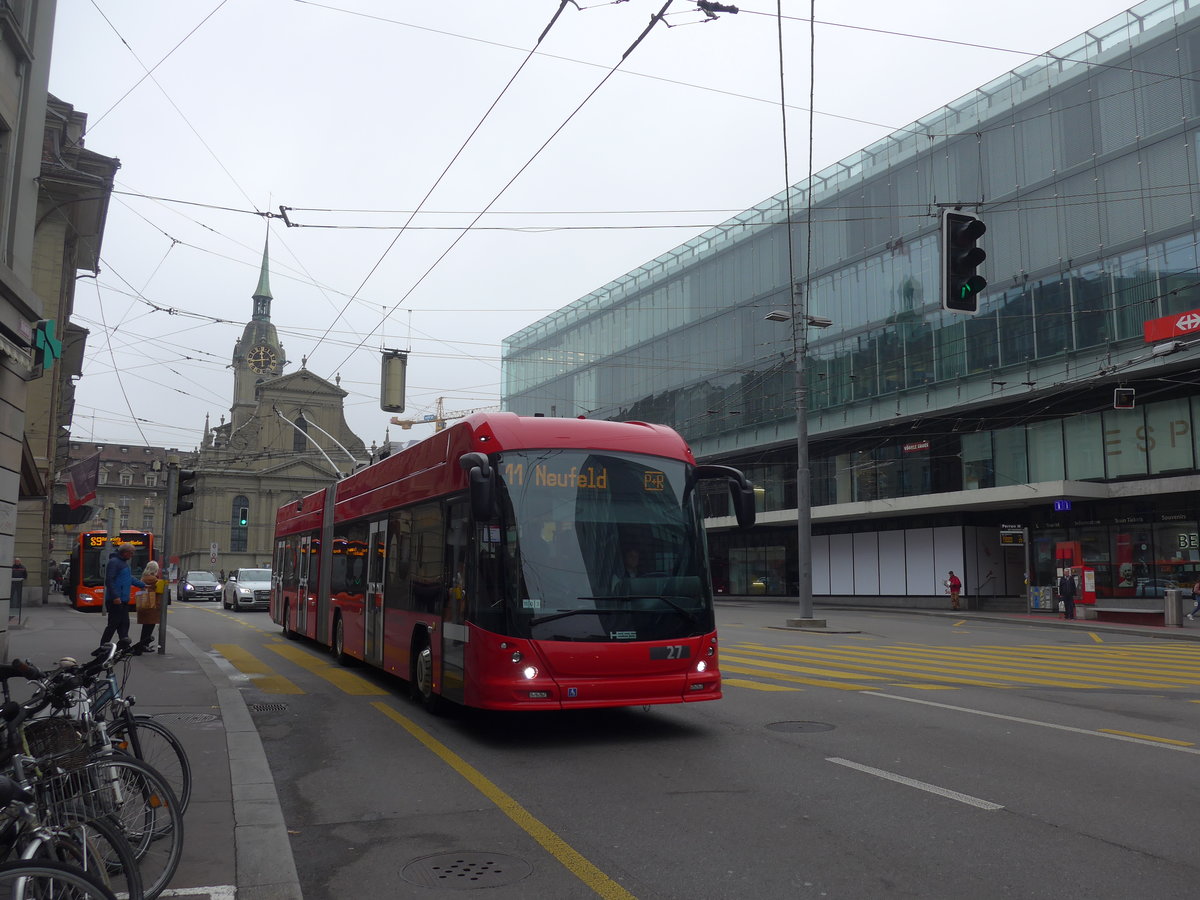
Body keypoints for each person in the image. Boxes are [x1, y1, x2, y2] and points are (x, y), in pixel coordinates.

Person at [100, 543, 145, 648]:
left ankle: (124, 645)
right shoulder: (114, 562)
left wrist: (142, 585)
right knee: (114, 623)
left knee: (124, 623)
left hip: (123, 599)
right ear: (125, 552)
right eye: (131, 553)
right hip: (116, 599)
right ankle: (103, 645)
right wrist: (115, 596)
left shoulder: (124, 563)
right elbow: (109, 580)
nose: (132, 555)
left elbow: (129, 578)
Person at [134, 559, 164, 654]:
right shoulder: (153, 579)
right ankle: (143, 645)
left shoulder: (144, 577)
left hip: (146, 604)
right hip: (151, 604)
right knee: (149, 626)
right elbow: (160, 587)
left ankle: (143, 645)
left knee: (146, 626)